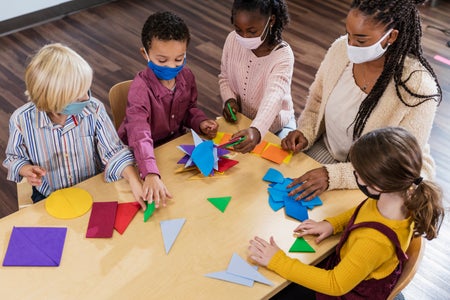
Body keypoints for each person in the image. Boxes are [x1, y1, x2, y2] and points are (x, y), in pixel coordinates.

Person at [249, 127, 444, 299]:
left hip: (347, 290)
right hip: (350, 268)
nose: (354, 174)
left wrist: (277, 261)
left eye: (357, 171)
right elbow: (363, 211)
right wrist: (332, 224)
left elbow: (335, 285)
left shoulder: (374, 242)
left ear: (376, 184)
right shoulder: (398, 197)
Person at [281, 0, 442, 201]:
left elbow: (395, 166)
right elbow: (316, 99)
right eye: (348, 34)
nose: (350, 45)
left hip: (380, 180)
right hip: (329, 152)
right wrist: (306, 131)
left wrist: (333, 176)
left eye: (361, 40)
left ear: (391, 36)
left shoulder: (418, 87)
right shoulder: (340, 49)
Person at [3, 43, 146, 209]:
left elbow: (114, 152)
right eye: (78, 97)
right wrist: (25, 169)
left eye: (87, 89)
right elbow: (14, 157)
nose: (86, 98)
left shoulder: (93, 109)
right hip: (48, 195)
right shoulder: (21, 120)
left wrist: (134, 181)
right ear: (53, 100)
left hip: (92, 187)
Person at [118, 11, 218, 208]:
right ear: (144, 54)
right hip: (141, 156)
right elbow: (139, 134)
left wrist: (200, 122)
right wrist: (150, 172)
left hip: (172, 149)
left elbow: (189, 109)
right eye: (162, 60)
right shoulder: (140, 89)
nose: (171, 66)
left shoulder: (187, 77)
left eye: (179, 59)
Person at [219, 0, 295, 153]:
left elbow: (273, 98)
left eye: (252, 31)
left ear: (271, 21)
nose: (245, 36)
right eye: (238, 29)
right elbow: (224, 77)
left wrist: (256, 130)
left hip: (276, 128)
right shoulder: (232, 40)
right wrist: (229, 99)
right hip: (243, 122)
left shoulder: (283, 56)